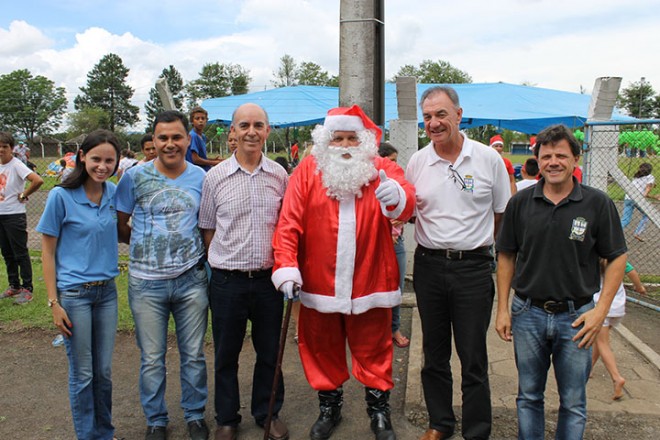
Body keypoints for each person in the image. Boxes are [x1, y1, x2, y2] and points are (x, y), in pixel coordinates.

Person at [272, 105, 415, 440]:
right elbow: (289, 222)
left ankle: (379, 411)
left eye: (353, 138)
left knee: (375, 347)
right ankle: (329, 407)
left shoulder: (381, 168)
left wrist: (396, 197)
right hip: (319, 280)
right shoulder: (308, 171)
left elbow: (408, 200)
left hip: (371, 281)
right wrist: (287, 266)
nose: (346, 145)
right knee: (321, 347)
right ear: (327, 141)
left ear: (364, 141)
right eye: (339, 138)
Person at [495, 124, 627, 440]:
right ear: (537, 160)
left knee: (573, 401)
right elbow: (506, 256)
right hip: (527, 314)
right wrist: (502, 309)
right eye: (546, 156)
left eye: (561, 155)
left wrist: (601, 312)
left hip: (577, 317)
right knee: (528, 397)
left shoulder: (597, 204)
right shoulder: (521, 203)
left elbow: (617, 257)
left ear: (575, 159)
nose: (553, 162)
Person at [405, 86, 510, 440]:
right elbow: (409, 211)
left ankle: (477, 430)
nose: (434, 123)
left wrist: (473, 245)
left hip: (473, 269)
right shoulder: (418, 162)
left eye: (441, 115)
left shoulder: (487, 160)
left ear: (459, 115)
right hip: (429, 266)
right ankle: (440, 423)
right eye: (428, 117)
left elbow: (500, 215)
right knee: (433, 352)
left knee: (473, 355)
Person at [116, 111, 210, 440]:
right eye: (163, 138)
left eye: (177, 137)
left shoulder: (201, 178)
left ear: (188, 139)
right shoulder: (134, 178)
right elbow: (121, 222)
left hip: (191, 280)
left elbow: (206, 224)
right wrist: (144, 245)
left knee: (194, 354)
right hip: (146, 284)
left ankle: (195, 414)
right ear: (153, 142)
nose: (170, 144)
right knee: (153, 358)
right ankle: (156, 419)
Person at [199, 103, 289, 440]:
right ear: (232, 132)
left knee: (270, 352)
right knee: (226, 354)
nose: (251, 131)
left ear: (267, 131)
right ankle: (227, 418)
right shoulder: (215, 177)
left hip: (268, 282)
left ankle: (269, 412)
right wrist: (223, 262)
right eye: (244, 125)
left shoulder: (279, 176)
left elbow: (286, 225)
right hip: (227, 282)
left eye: (258, 125)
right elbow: (208, 228)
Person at [37, 129, 122, 440]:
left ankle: (105, 433)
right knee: (83, 373)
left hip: (107, 293)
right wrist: (53, 302)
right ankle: (88, 435)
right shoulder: (60, 196)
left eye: (109, 161)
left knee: (103, 372)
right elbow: (47, 251)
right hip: (75, 296)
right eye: (96, 159)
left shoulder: (113, 194)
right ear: (82, 156)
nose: (102, 166)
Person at [0, 131, 44, 304]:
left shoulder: (16, 165)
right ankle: (14, 285)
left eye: (4, 147)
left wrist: (24, 193)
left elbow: (37, 180)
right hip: (1, 215)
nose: (1, 150)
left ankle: (27, 288)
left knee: (20, 252)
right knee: (6, 252)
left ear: (12, 148)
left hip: (14, 215)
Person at [378, 141, 409, 348]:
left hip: (397, 242)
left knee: (397, 288)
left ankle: (394, 328)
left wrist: (402, 216)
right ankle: (378, 332)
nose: (395, 165)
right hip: (377, 244)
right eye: (391, 161)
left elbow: (409, 206)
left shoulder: (398, 181)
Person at [591, 260, 636, 401]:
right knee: (598, 340)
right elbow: (631, 271)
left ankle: (616, 378)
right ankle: (589, 368)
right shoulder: (617, 258)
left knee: (603, 343)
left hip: (601, 305)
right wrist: (639, 286)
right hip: (618, 306)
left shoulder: (594, 260)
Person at [620, 162, 655, 242]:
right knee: (646, 215)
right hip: (638, 199)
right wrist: (650, 196)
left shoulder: (636, 176)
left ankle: (614, 233)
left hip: (628, 198)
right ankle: (637, 233)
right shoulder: (650, 177)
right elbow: (646, 191)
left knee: (625, 220)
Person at [186, 106, 221, 171]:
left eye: (203, 118)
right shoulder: (193, 136)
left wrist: (213, 160)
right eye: (197, 118)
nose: (200, 121)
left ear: (206, 120)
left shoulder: (203, 136)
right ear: (192, 121)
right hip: (195, 172)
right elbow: (195, 159)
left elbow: (201, 157)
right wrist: (214, 163)